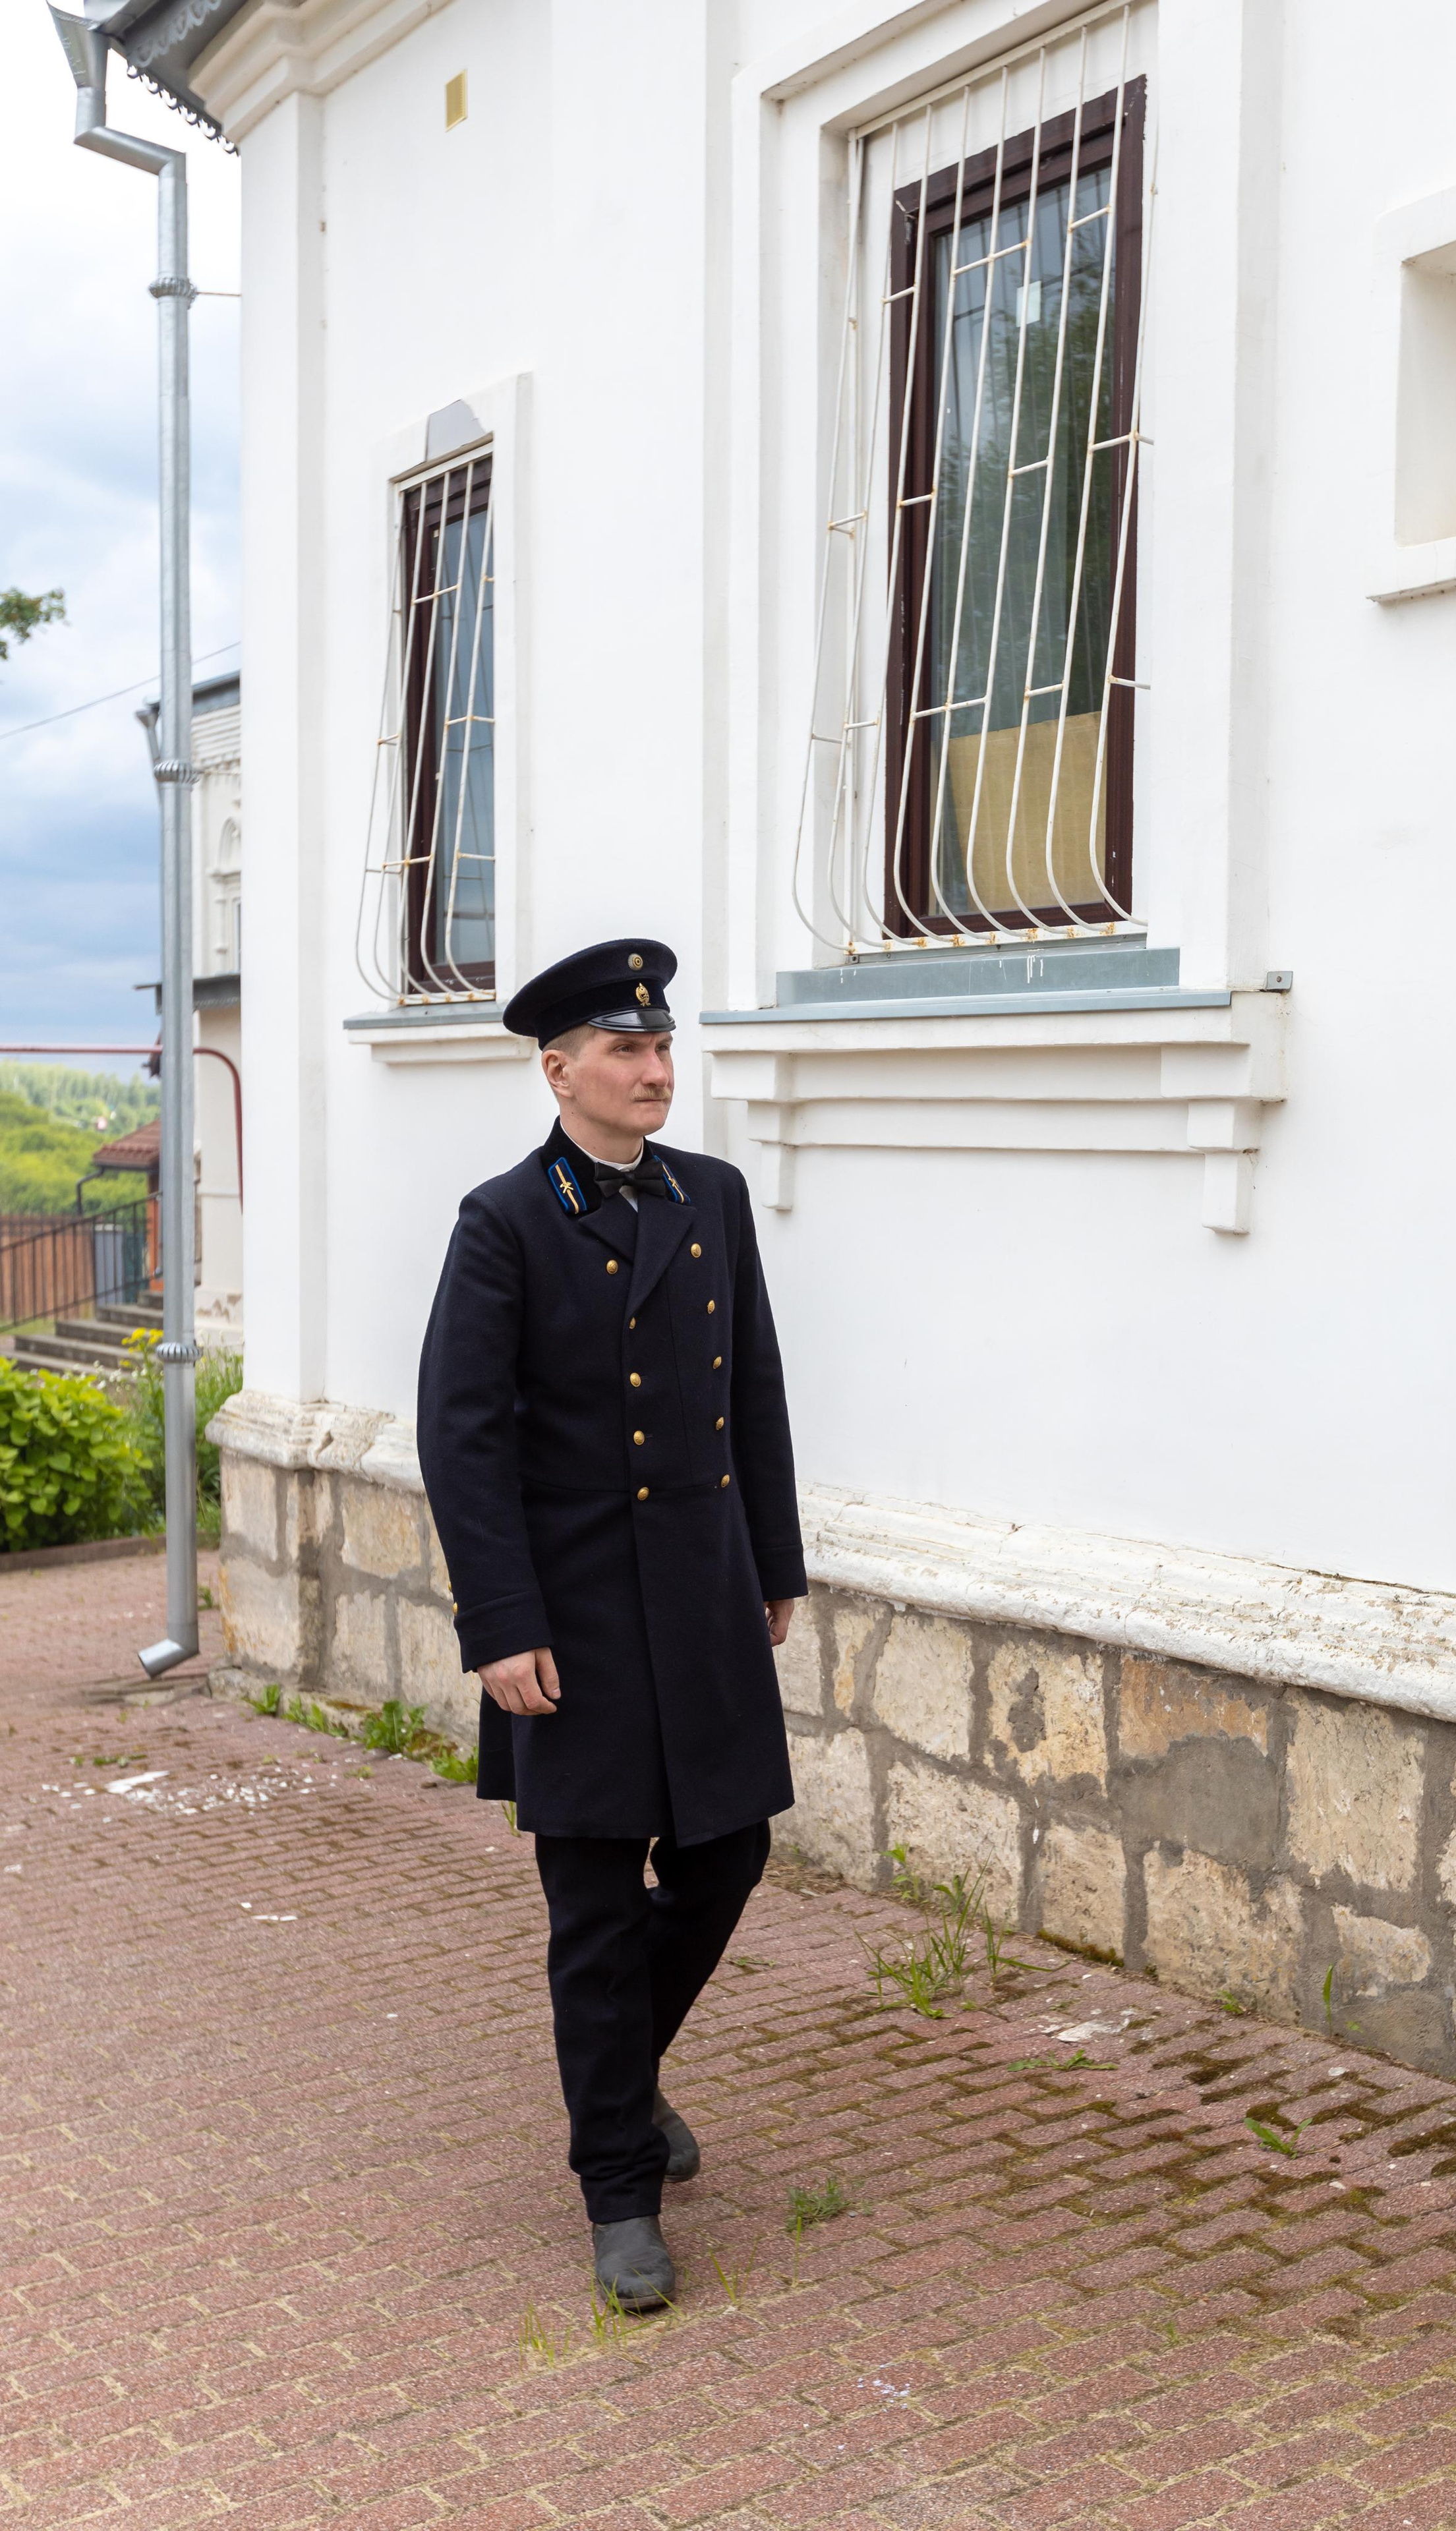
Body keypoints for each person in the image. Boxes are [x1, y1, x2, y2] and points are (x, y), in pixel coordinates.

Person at [417, 938, 805, 2309]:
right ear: (558, 1068)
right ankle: (617, 2191)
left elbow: (751, 1382)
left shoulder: (713, 1196)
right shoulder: (506, 1219)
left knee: (730, 1853)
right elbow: (461, 1439)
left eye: (661, 1050)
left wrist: (774, 1563)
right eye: (625, 1052)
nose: (654, 1071)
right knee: (592, 1903)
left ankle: (623, 2086)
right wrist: (498, 1621)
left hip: (698, 1590)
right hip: (568, 1612)